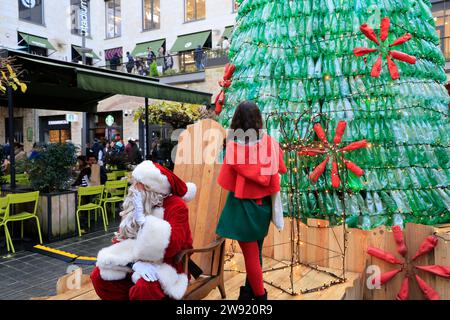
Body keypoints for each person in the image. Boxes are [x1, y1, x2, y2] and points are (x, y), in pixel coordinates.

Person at [90, 160, 197, 300]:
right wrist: (132, 263)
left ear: (151, 187)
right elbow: (121, 238)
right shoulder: (137, 203)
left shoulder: (177, 206)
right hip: (135, 261)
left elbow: (173, 247)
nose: (133, 187)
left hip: (167, 264)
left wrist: (145, 223)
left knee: (144, 289)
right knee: (99, 276)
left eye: (137, 183)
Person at [215, 101, 287, 300]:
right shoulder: (271, 142)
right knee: (257, 253)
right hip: (263, 208)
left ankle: (260, 299)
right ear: (258, 119)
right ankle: (248, 293)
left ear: (236, 120)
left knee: (252, 257)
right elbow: (281, 168)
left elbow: (226, 175)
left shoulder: (232, 147)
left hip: (242, 207)